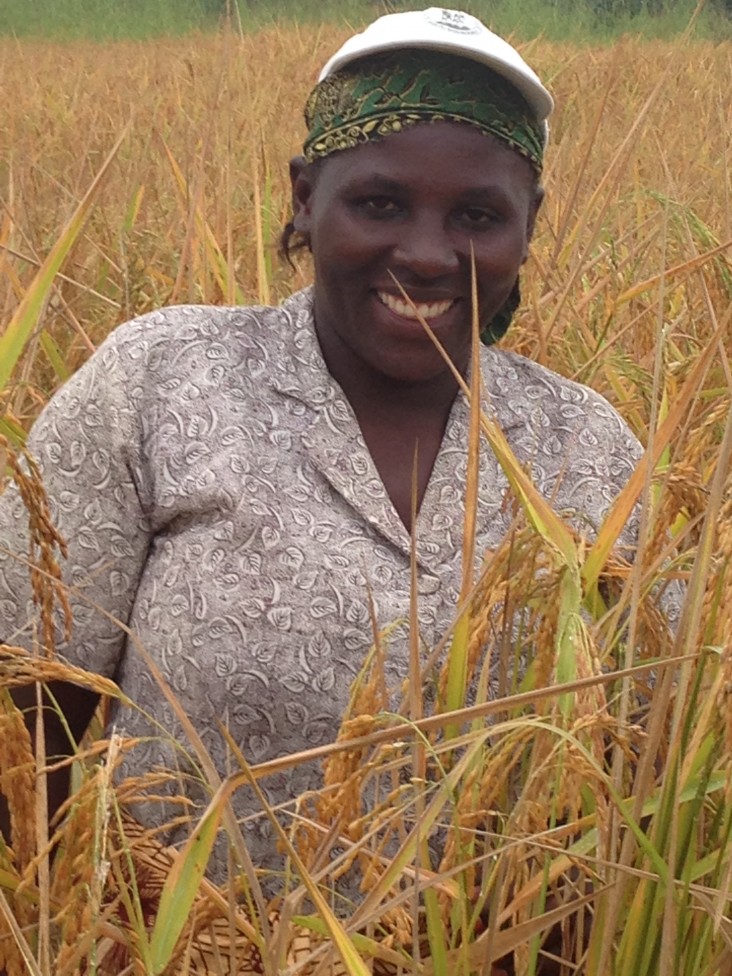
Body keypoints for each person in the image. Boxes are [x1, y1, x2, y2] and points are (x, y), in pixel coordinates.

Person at [0, 7, 652, 969]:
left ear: (529, 227)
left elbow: (632, 779)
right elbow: (27, 715)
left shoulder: (588, 447)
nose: (429, 254)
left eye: (477, 215)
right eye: (381, 203)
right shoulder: (164, 379)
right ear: (306, 197)